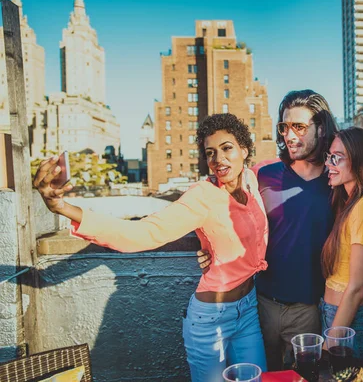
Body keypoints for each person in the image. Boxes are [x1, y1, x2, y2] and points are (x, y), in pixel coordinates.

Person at [34, 113, 268, 382]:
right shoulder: (202, 196)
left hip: (249, 310)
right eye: (210, 153)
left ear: (244, 150)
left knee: (259, 380)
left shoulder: (251, 180)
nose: (218, 159)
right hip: (210, 318)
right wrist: (62, 207)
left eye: (227, 148)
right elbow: (142, 232)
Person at [255, 90, 338, 370]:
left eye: (299, 127)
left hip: (307, 309)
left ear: (322, 128)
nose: (289, 136)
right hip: (260, 303)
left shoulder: (336, 181)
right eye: (284, 127)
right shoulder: (264, 175)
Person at [320, 127, 363, 365]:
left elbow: (357, 287)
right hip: (336, 316)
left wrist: (330, 344)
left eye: (336, 157)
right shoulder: (347, 205)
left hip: (350, 323)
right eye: (329, 156)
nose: (329, 163)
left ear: (358, 161)